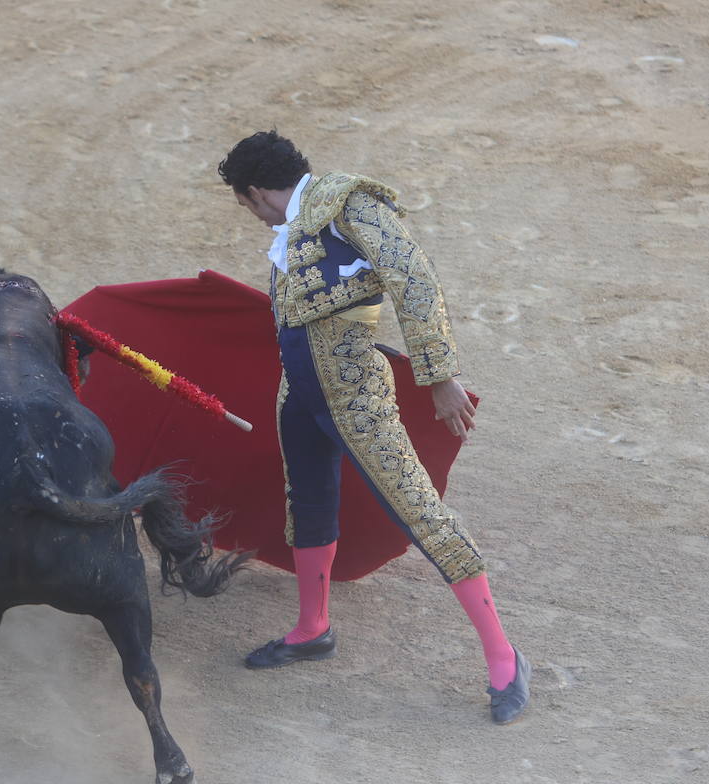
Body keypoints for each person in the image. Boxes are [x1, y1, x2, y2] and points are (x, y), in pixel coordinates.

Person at [217, 130, 530, 724]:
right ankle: (312, 628)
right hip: (301, 394)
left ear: (256, 192)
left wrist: (440, 375)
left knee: (421, 511)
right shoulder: (303, 227)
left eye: (246, 206)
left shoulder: (348, 204)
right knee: (307, 503)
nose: (253, 220)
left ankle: (505, 657)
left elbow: (415, 279)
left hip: (356, 393)